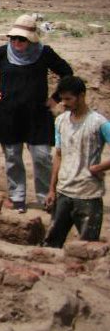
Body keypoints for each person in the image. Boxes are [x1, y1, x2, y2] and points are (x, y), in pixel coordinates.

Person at [0, 14, 73, 214]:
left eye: (22, 39)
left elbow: (67, 73)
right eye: (14, 38)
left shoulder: (44, 53)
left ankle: (46, 198)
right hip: (8, 115)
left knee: (41, 157)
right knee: (13, 157)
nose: (17, 42)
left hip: (37, 115)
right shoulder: (2, 53)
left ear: (31, 39)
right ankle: (17, 197)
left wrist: (56, 98)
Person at [43, 76, 110, 247]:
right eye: (62, 98)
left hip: (88, 194)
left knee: (87, 247)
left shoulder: (98, 123)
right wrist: (51, 189)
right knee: (51, 244)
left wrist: (99, 167)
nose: (64, 103)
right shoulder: (60, 121)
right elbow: (58, 155)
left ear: (81, 96)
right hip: (64, 192)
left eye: (68, 99)